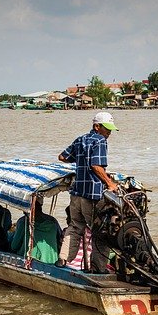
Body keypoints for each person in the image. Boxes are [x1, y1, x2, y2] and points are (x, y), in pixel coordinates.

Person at [57, 111, 119, 273]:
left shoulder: (80, 139)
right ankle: (98, 269)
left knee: (75, 226)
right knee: (101, 232)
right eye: (106, 128)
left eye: (110, 129)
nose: (109, 132)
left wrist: (80, 159)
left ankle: (63, 259)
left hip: (76, 192)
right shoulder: (100, 141)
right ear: (96, 126)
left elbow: (62, 157)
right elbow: (96, 166)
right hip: (91, 194)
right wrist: (110, 183)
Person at [10, 197, 62, 264]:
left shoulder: (23, 221)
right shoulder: (53, 221)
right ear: (40, 208)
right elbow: (60, 241)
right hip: (51, 261)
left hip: (29, 261)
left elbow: (14, 246)